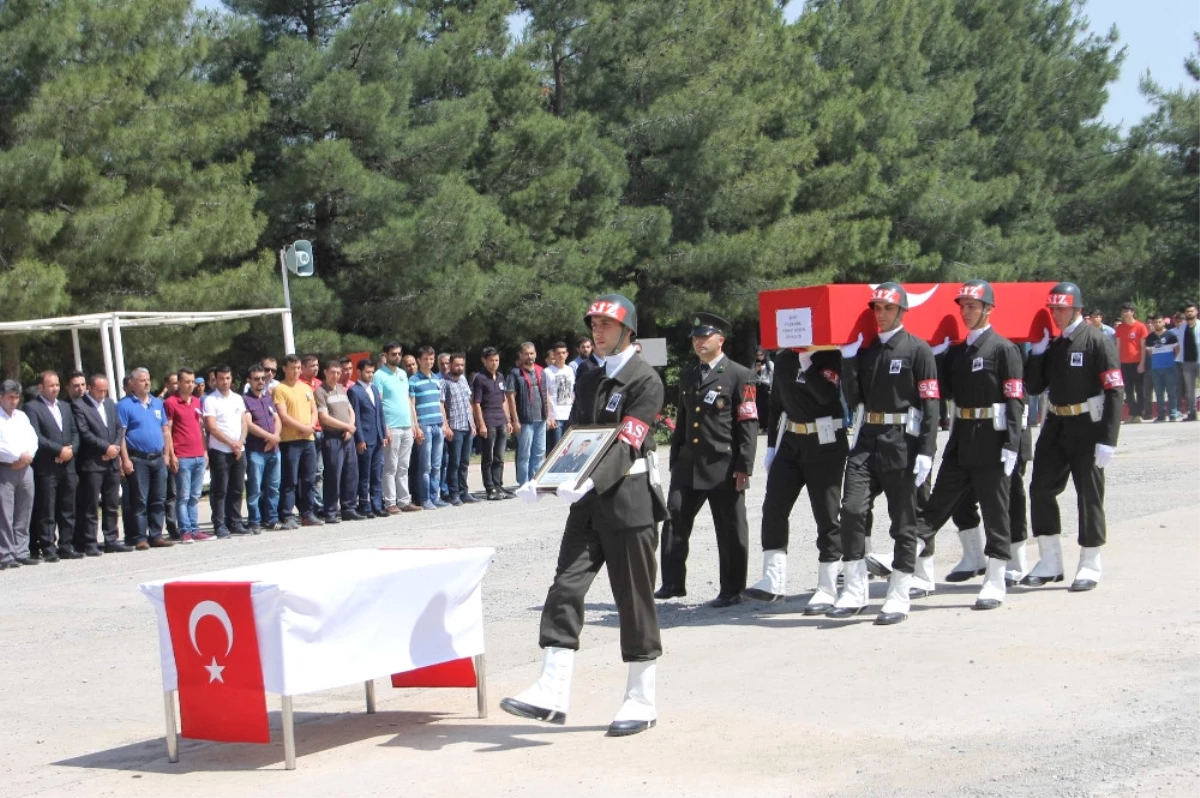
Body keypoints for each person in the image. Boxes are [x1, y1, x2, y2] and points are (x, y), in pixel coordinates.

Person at [503, 293, 667, 737]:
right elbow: (578, 435)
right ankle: (552, 690)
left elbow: (628, 441)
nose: (597, 331)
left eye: (606, 326)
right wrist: (544, 479)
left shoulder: (645, 380)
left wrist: (591, 480)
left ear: (628, 331)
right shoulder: (591, 377)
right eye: (593, 325)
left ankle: (641, 698)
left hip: (629, 500)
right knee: (566, 586)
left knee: (633, 600)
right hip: (588, 503)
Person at [828, 282, 939, 625]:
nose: (881, 314)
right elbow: (854, 397)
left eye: (887, 308)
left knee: (903, 521)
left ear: (902, 311)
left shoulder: (918, 350)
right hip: (867, 437)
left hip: (902, 441)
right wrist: (848, 361)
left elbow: (930, 403)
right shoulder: (868, 351)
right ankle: (856, 590)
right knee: (850, 510)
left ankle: (899, 593)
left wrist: (927, 451)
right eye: (876, 308)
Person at [912, 281, 1025, 610]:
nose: (966, 311)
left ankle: (995, 576)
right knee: (938, 503)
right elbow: (941, 390)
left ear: (989, 309)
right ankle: (906, 552)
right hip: (962, 436)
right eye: (963, 306)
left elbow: (1014, 399)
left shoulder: (1004, 349)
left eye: (973, 306)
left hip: (993, 437)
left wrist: (1012, 444)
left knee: (995, 509)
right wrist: (934, 355)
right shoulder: (959, 352)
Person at [1024, 282, 1123, 591]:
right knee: (1040, 489)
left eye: (1061, 308)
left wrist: (1109, 438)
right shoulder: (1053, 345)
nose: (1055, 314)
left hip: (1087, 425)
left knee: (1088, 494)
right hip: (1056, 423)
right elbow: (1034, 387)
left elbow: (1115, 390)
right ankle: (1050, 561)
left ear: (1077, 309)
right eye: (1052, 309)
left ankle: (1090, 561)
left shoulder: (1096, 341)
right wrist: (1038, 353)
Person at [657, 312, 758, 607]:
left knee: (729, 528)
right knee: (674, 517)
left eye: (705, 337)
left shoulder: (739, 374)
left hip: (722, 464)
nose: (699, 343)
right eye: (695, 338)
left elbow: (748, 423)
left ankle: (732, 589)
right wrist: (676, 457)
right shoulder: (690, 375)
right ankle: (673, 582)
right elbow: (685, 418)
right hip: (689, 464)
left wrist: (744, 465)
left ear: (720, 340)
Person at [743, 344, 845, 613]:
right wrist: (771, 448)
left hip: (825, 440)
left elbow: (825, 395)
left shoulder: (830, 356)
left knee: (826, 513)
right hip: (790, 441)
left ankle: (827, 586)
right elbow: (777, 402)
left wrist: (807, 363)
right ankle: (773, 580)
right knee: (774, 507)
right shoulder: (785, 358)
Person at [25, 371, 82, 561]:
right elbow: (36, 436)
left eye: (57, 385)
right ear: (41, 387)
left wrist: (70, 451)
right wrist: (59, 451)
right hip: (47, 466)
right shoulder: (32, 407)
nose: (55, 389)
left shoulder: (65, 407)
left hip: (68, 466)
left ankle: (66, 545)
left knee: (67, 507)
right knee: (47, 509)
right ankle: (48, 547)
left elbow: (74, 432)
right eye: (51, 385)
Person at [118, 367, 175, 550]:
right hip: (138, 459)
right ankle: (140, 537)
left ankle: (156, 534)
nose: (147, 383)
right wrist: (125, 460)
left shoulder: (157, 404)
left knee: (159, 498)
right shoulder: (124, 406)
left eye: (148, 379)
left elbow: (165, 431)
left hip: (158, 458)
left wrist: (167, 455)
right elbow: (121, 436)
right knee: (140, 499)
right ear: (132, 384)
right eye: (142, 380)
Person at [73, 375, 129, 554]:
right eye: (99, 390)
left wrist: (115, 447)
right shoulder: (80, 405)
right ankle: (89, 542)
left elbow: (119, 428)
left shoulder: (110, 404)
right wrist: (105, 448)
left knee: (112, 503)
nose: (102, 394)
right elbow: (85, 432)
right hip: (93, 463)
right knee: (90, 505)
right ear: (89, 388)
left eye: (105, 390)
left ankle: (111, 539)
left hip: (111, 462)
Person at [273, 354, 323, 529]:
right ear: (284, 369)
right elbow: (283, 416)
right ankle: (287, 514)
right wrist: (301, 427)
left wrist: (310, 425)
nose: (296, 371)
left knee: (309, 478)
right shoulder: (280, 389)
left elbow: (314, 410)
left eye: (298, 368)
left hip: (308, 439)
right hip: (291, 441)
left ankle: (307, 513)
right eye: (292, 368)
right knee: (290, 480)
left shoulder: (306, 388)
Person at [203, 364, 251, 536]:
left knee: (237, 488)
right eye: (221, 378)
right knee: (220, 489)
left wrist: (240, 442)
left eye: (228, 378)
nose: (225, 382)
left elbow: (244, 422)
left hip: (239, 449)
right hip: (220, 451)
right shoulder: (210, 400)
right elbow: (212, 427)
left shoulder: (237, 398)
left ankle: (235, 522)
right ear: (216, 379)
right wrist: (232, 444)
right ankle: (220, 524)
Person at [164, 369, 209, 543]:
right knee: (183, 496)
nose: (190, 385)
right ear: (179, 383)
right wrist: (172, 455)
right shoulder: (171, 402)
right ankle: (185, 531)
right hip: (182, 455)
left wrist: (205, 451)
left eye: (192, 382)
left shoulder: (198, 401)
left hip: (198, 454)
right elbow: (167, 429)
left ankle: (195, 529)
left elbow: (200, 428)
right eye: (187, 382)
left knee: (195, 495)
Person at [0, 380, 40, 569]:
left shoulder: (22, 417)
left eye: (16, 398)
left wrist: (27, 456)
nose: (14, 401)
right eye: (10, 397)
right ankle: (6, 553)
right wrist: (16, 456)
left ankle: (21, 551)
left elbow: (32, 438)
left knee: (24, 511)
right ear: (1, 397)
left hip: (25, 468)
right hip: (6, 468)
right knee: (5, 514)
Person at [375, 342, 419, 513]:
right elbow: (379, 404)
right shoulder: (379, 376)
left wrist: (414, 424)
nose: (397, 357)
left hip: (406, 425)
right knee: (390, 466)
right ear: (386, 355)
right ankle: (390, 502)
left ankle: (404, 500)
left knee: (403, 466)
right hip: (391, 426)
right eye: (394, 354)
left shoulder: (402, 374)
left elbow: (408, 400)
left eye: (399, 354)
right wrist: (384, 427)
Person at [314, 359, 360, 522]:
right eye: (332, 372)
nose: (335, 376)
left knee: (350, 473)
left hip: (347, 437)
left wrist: (350, 427)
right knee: (333, 475)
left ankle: (349, 508)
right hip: (332, 437)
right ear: (325, 372)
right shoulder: (320, 391)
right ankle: (331, 511)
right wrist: (346, 427)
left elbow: (350, 410)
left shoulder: (341, 388)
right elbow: (324, 418)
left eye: (338, 373)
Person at [410, 347, 450, 510]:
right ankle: (425, 498)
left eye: (431, 359)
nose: (429, 362)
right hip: (424, 426)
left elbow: (441, 404)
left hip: (438, 425)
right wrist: (416, 427)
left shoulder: (437, 380)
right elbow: (411, 405)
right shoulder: (413, 380)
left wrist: (445, 424)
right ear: (419, 360)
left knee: (437, 464)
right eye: (426, 359)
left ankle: (436, 496)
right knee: (425, 466)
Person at [472, 346, 514, 500]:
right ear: (484, 361)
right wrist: (481, 424)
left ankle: (498, 485)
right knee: (488, 457)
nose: (494, 363)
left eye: (496, 360)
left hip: (501, 421)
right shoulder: (480, 378)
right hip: (488, 421)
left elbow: (504, 401)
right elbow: (476, 403)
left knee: (499, 456)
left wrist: (508, 419)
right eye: (491, 360)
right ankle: (490, 488)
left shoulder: (501, 377)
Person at [508, 342, 553, 487]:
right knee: (524, 454)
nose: (529, 357)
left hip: (541, 418)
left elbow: (546, 394)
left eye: (532, 353)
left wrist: (549, 415)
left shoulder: (541, 371)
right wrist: (515, 420)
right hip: (525, 419)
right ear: (520, 355)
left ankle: (536, 482)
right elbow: (510, 397)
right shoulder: (515, 374)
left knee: (540, 453)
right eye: (526, 354)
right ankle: (524, 483)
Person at [243, 365, 282, 533]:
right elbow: (249, 425)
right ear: (249, 381)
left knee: (273, 487)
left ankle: (271, 519)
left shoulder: (268, 398)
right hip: (256, 450)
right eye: (256, 378)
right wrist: (270, 436)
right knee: (254, 489)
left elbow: (277, 418)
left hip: (274, 450)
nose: (261, 381)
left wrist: (275, 437)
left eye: (263, 378)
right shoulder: (245, 400)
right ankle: (254, 521)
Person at [349, 359, 387, 517]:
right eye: (367, 372)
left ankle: (377, 504)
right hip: (365, 438)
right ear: (359, 372)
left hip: (377, 437)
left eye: (372, 372)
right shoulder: (354, 391)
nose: (370, 375)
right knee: (364, 475)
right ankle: (364, 505)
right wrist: (359, 439)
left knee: (376, 473)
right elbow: (356, 416)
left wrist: (383, 433)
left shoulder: (375, 389)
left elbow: (380, 413)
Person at [441, 353, 478, 505]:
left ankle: (464, 492)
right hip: (455, 426)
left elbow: (469, 401)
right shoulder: (444, 382)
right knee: (454, 462)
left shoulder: (463, 380)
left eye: (462, 365)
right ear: (450, 365)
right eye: (456, 365)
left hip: (467, 425)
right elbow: (442, 405)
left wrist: (473, 423)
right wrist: (446, 425)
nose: (459, 368)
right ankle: (453, 493)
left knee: (464, 462)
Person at [1113, 303, 1148, 423]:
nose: (1125, 314)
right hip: (1124, 363)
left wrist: (1142, 363)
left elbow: (1143, 347)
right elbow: (1117, 346)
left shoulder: (1141, 327)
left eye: (1127, 311)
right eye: (1123, 312)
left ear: (1133, 312)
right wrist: (1116, 363)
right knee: (1128, 390)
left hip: (1137, 362)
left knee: (1140, 389)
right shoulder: (1120, 328)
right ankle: (1132, 414)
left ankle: (1139, 413)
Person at [1144, 314, 1181, 422]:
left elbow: (1177, 350)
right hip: (1156, 368)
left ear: (1164, 322)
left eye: (1160, 322)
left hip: (1169, 367)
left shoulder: (1171, 335)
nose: (1157, 324)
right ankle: (1161, 414)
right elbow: (1149, 352)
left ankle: (1173, 412)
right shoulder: (1150, 338)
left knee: (1171, 391)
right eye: (1155, 322)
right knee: (1159, 393)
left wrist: (1172, 360)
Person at [545, 341, 575, 448]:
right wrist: (549, 416)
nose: (561, 355)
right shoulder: (547, 372)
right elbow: (546, 394)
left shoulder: (570, 370)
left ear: (567, 354)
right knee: (556, 448)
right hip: (556, 416)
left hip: (569, 414)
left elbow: (572, 391)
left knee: (568, 447)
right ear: (553, 354)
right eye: (558, 353)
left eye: (563, 353)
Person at [1175, 301, 1199, 421]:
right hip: (1187, 362)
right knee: (1190, 391)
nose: (1190, 313)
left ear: (1196, 312)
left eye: (1192, 311)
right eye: (1188, 311)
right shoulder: (1182, 328)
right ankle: (1192, 412)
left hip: (1199, 361)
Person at [752, 347, 774, 430]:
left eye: (761, 354)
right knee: (758, 407)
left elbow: (772, 376)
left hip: (766, 386)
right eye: (758, 355)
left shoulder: (769, 363)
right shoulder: (755, 364)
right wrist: (755, 370)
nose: (759, 357)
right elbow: (750, 375)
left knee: (767, 407)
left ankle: (767, 426)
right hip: (758, 386)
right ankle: (761, 425)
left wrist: (772, 388)